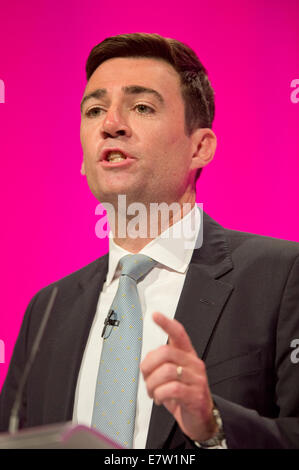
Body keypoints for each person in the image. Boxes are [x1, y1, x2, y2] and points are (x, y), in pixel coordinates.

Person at [1, 33, 299, 449]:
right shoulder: (49, 308)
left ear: (200, 147)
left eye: (141, 107)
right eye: (94, 109)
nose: (111, 124)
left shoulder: (282, 276)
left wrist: (213, 426)